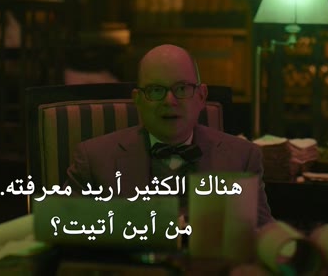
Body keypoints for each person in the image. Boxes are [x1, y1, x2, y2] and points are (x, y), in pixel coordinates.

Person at [64, 44, 273, 227]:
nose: (169, 101)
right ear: (138, 100)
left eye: (181, 88)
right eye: (156, 90)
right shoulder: (94, 159)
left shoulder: (242, 158)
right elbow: (63, 227)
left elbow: (263, 234)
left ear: (201, 96)